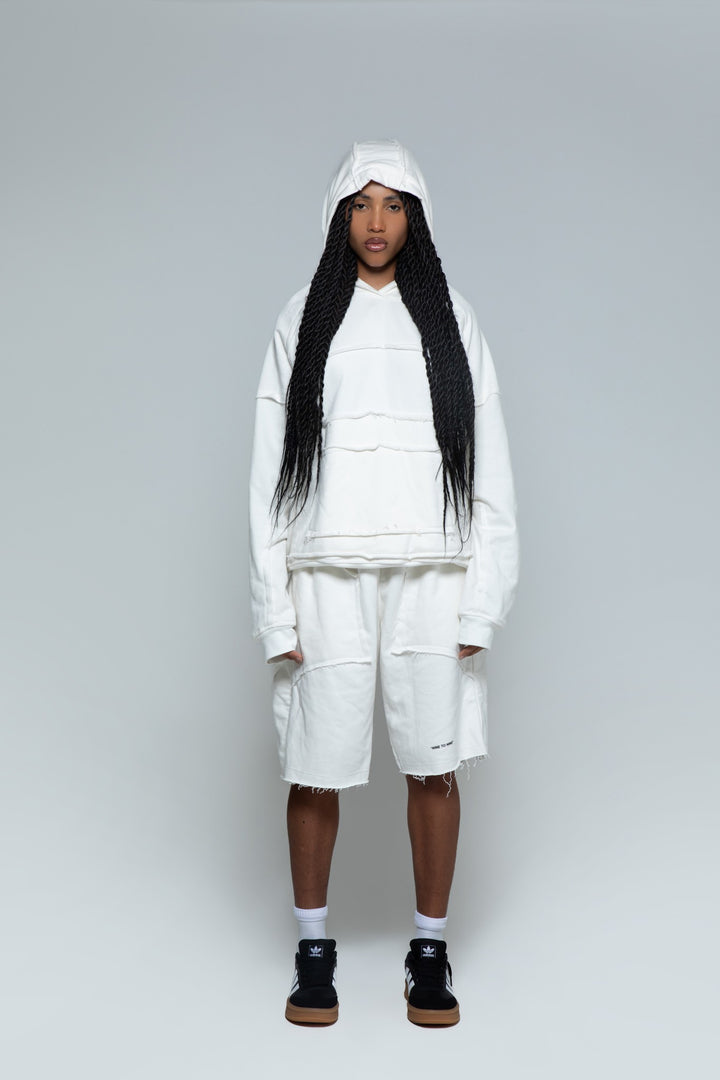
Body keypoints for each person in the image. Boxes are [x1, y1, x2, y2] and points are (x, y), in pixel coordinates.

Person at [248, 139, 519, 1027]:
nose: (376, 222)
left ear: (416, 218)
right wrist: (274, 606)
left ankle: (429, 952)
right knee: (314, 766)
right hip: (324, 572)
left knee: (435, 763)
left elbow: (490, 466)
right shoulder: (303, 318)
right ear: (339, 215)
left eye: (393, 204)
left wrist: (486, 594)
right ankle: (313, 949)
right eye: (360, 204)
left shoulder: (451, 318)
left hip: (433, 572)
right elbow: (268, 473)